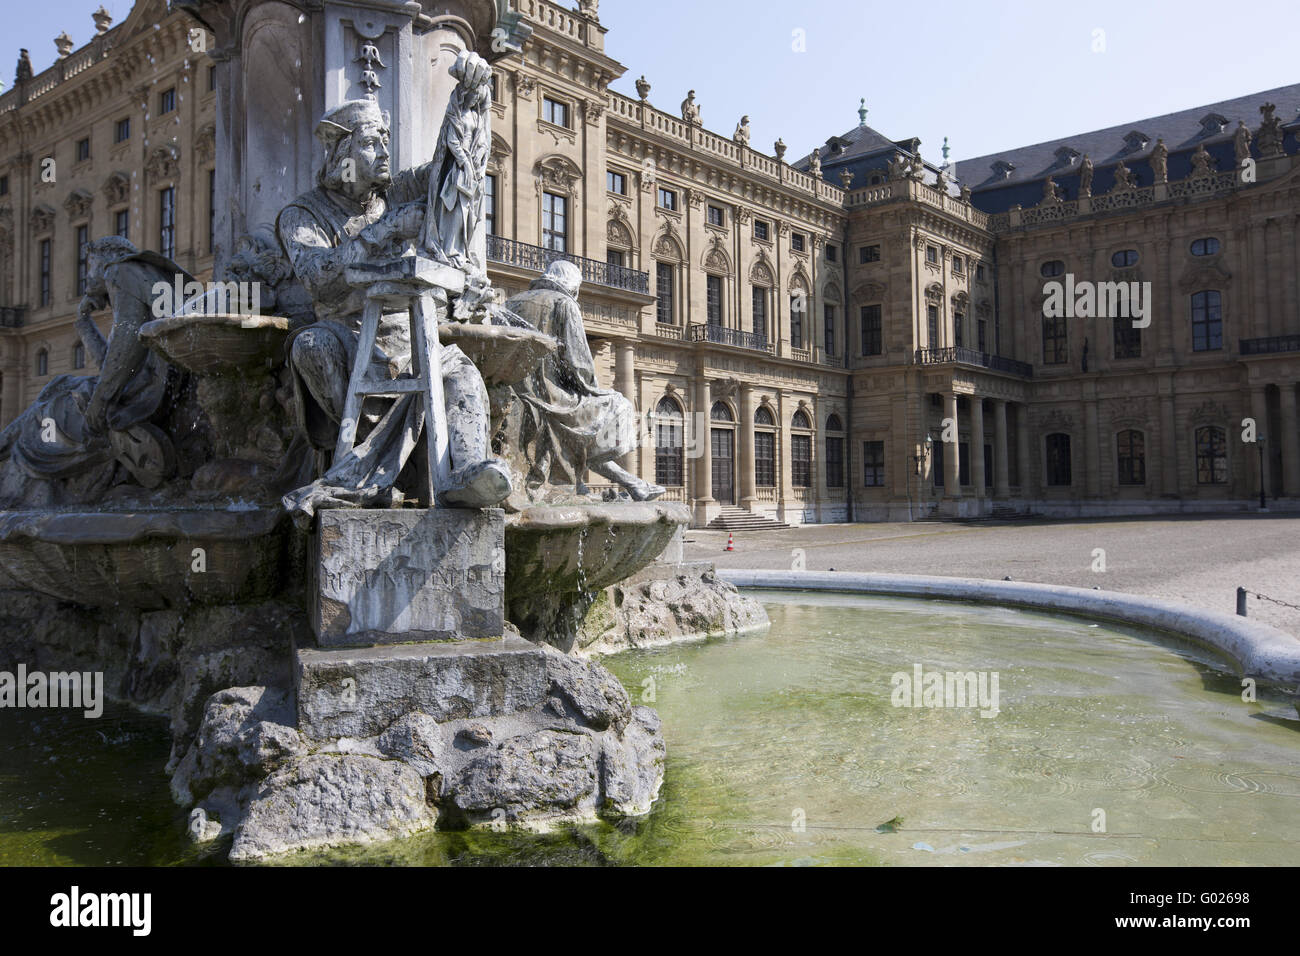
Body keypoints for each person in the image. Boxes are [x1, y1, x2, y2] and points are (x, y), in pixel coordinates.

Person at [276, 53, 511, 520]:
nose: (385, 151)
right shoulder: (301, 215)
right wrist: (380, 233)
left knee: (461, 371)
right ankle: (370, 467)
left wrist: (467, 101)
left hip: (409, 333)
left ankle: (466, 473)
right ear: (342, 157)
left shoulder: (396, 193)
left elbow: (447, 171)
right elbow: (318, 278)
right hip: (348, 333)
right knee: (310, 346)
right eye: (371, 144)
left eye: (386, 140)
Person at [0, 237, 192, 506]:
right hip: (149, 387)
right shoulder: (136, 275)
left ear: (104, 262)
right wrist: (83, 323)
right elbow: (112, 365)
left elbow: (126, 350)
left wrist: (101, 401)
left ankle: (9, 455)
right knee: (60, 383)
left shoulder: (120, 271)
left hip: (146, 395)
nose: (86, 276)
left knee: (48, 410)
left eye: (89, 266)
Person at [502, 260, 663, 502]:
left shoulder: (511, 302)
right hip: (550, 396)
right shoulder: (564, 303)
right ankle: (633, 483)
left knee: (583, 433)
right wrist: (591, 392)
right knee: (618, 405)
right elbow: (580, 364)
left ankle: (634, 483)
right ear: (573, 287)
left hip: (513, 394)